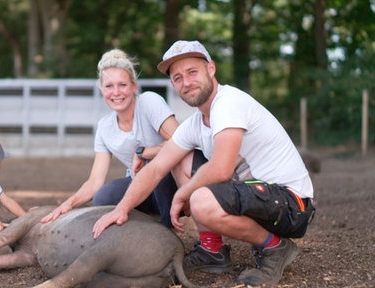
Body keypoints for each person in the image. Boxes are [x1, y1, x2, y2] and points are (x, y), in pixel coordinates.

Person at [92, 40, 315, 286]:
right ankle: (212, 250)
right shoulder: (195, 123)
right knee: (179, 158)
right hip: (257, 195)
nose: (186, 82)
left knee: (200, 200)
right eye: (178, 78)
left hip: (291, 204)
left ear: (211, 68)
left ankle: (276, 248)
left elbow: (221, 169)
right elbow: (156, 169)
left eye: (192, 72)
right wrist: (121, 209)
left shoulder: (228, 102)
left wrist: (181, 195)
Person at [40, 48, 179, 227]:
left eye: (122, 85)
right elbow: (95, 181)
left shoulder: (149, 102)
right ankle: (147, 224)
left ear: (134, 86)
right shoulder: (105, 128)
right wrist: (68, 204)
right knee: (104, 197)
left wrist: (145, 152)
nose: (116, 92)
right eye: (109, 86)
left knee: (156, 166)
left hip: (173, 183)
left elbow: (181, 140)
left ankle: (168, 228)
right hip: (141, 187)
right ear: (102, 89)